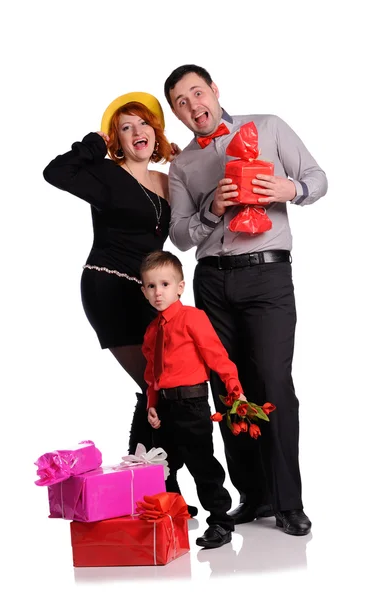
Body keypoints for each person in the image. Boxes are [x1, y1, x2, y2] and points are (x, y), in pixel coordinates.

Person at [163, 64, 328, 536]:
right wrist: (212, 209)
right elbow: (179, 235)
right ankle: (253, 497)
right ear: (177, 113)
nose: (195, 106)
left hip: (268, 275)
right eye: (182, 102)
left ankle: (288, 501)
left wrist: (289, 189)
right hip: (212, 281)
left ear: (214, 90)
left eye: (198, 92)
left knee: (274, 384)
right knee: (227, 387)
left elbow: (317, 178)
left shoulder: (270, 127)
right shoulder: (183, 166)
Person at [42, 92, 182, 465]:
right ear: (117, 141)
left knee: (165, 387)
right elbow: (55, 172)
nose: (137, 130)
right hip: (108, 286)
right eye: (125, 127)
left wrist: (190, 167)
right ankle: (154, 483)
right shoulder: (106, 175)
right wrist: (92, 146)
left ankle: (152, 482)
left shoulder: (167, 182)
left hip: (148, 293)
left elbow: (192, 225)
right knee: (156, 386)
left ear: (155, 133)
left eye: (143, 123)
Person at [140, 250, 246, 549]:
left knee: (202, 464)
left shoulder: (192, 318)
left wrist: (233, 387)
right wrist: (152, 403)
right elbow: (152, 374)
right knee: (163, 465)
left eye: (164, 284)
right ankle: (177, 510)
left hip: (192, 404)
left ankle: (221, 521)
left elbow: (217, 356)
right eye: (151, 286)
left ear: (180, 287)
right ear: (143, 290)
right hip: (165, 406)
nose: (158, 292)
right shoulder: (151, 331)